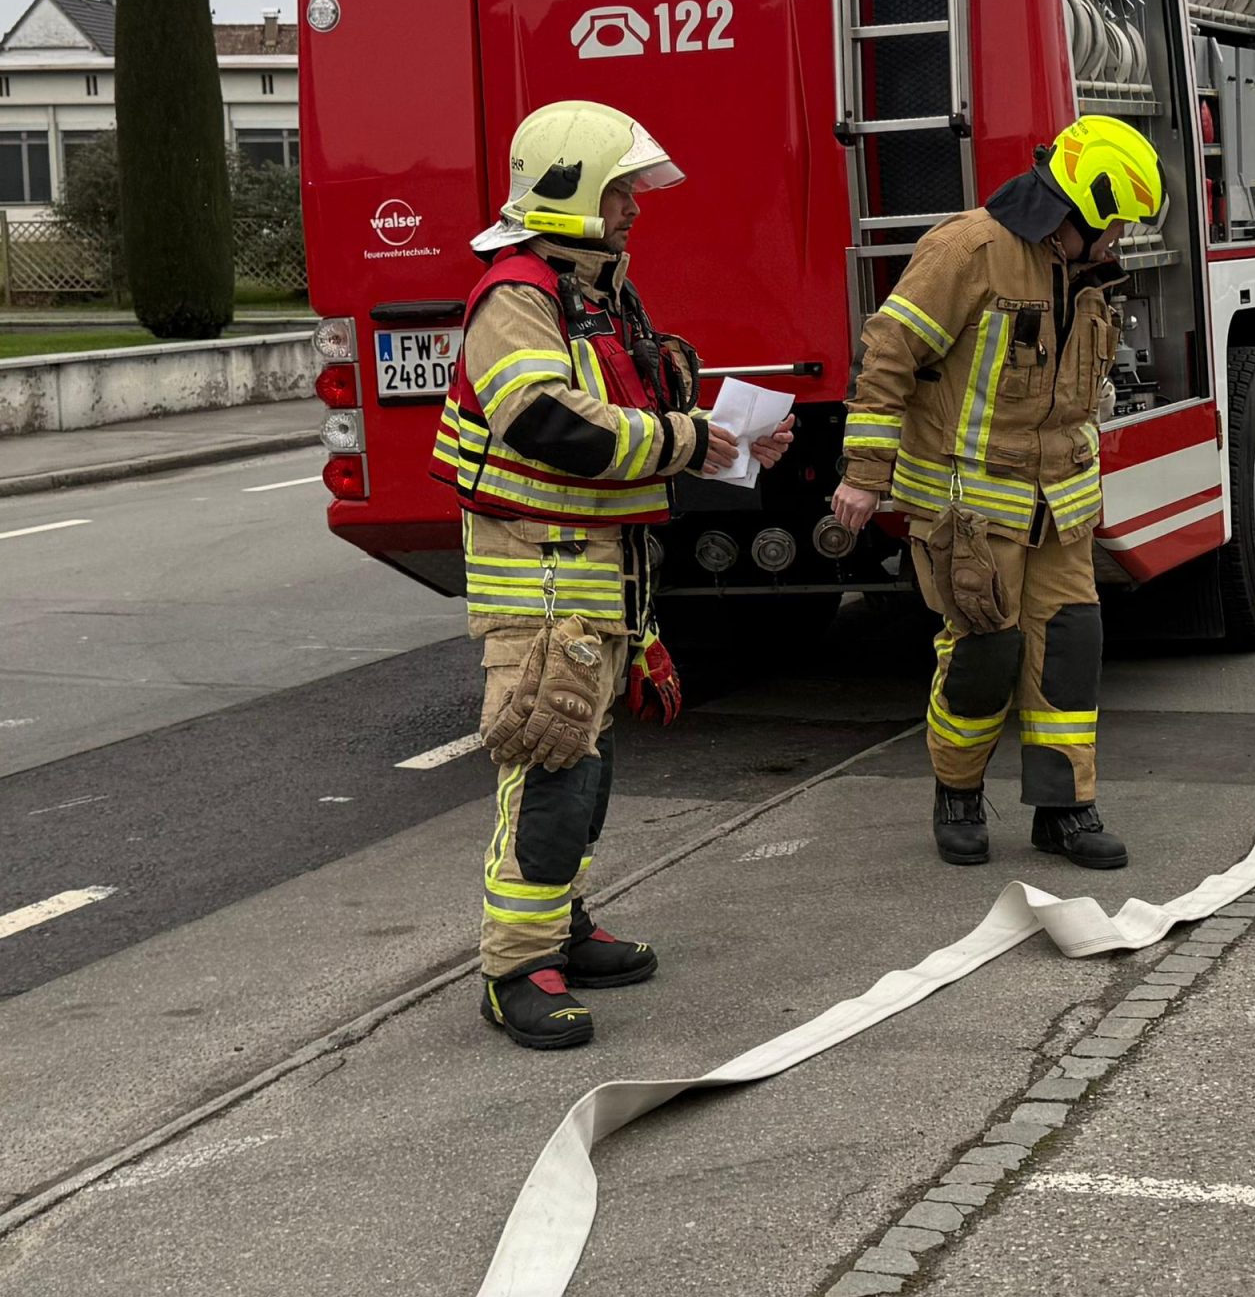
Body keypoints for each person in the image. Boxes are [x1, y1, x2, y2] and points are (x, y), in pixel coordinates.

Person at [435, 98, 788, 1050]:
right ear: (573, 190)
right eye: (623, 191)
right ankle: (515, 970)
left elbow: (625, 402)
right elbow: (548, 423)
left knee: (581, 768)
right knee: (547, 764)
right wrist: (686, 439)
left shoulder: (589, 285)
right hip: (541, 578)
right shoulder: (518, 293)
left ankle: (561, 922)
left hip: (594, 572)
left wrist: (721, 441)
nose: (637, 208)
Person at [831, 116, 1163, 872]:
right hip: (969, 514)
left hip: (1061, 510)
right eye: (1114, 224)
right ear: (1075, 213)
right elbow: (888, 354)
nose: (1121, 240)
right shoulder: (967, 251)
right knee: (986, 653)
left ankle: (1065, 809)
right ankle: (957, 793)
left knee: (1069, 652)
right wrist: (863, 476)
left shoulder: (1082, 272)